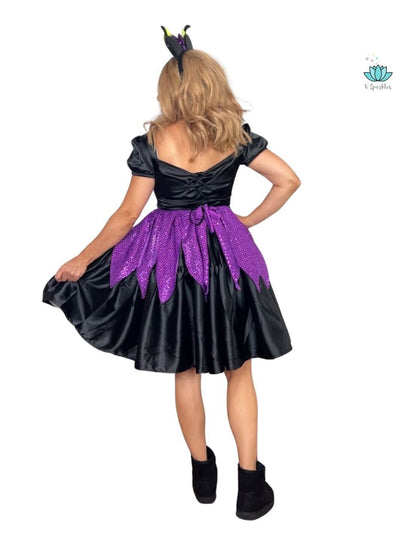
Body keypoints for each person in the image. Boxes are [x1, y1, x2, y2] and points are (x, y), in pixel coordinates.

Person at [42, 25, 301, 521]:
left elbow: (126, 216)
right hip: (229, 258)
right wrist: (245, 220)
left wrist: (81, 259)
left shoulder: (153, 141)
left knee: (185, 368)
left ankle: (202, 471)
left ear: (169, 89)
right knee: (239, 369)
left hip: (171, 263)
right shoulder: (235, 135)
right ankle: (250, 485)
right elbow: (288, 180)